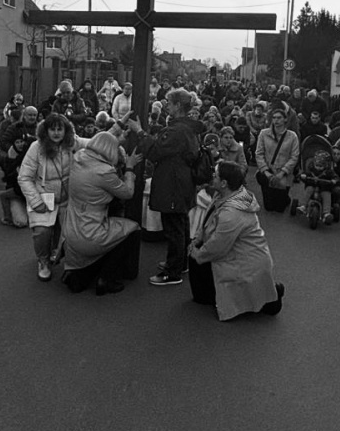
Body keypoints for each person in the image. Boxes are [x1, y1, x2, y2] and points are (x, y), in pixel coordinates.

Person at [188, 161, 284, 320]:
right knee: (197, 265)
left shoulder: (231, 213)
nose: (212, 176)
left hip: (245, 260)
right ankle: (267, 291)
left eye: (216, 175)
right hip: (239, 253)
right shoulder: (225, 195)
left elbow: (218, 247)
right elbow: (208, 222)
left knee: (198, 264)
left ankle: (272, 297)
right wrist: (197, 239)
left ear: (224, 183)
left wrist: (198, 253)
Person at [61, 131, 141, 295]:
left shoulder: (79, 157)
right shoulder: (104, 171)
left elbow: (103, 142)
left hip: (71, 228)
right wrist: (130, 168)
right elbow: (127, 193)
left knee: (108, 233)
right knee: (132, 230)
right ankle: (106, 279)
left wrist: (117, 139)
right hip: (90, 231)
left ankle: (79, 275)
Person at [141, 88, 205, 286]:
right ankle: (180, 262)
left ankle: (172, 272)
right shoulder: (188, 128)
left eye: (169, 103)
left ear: (177, 105)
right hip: (182, 181)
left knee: (173, 228)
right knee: (181, 224)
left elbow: (155, 151)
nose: (167, 106)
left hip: (173, 183)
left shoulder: (177, 131)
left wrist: (140, 132)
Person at [17, 113, 78, 281]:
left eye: (60, 129)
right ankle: (43, 261)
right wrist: (35, 201)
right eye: (53, 129)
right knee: (42, 232)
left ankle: (55, 253)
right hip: (42, 197)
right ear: (46, 130)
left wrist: (118, 129)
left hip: (66, 199)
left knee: (66, 233)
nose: (56, 133)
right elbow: (24, 177)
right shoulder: (36, 147)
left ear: (66, 130)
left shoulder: (72, 143)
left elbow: (97, 143)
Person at [255, 105, 300, 214]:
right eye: (274, 118)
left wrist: (282, 172)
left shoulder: (292, 136)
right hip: (268, 171)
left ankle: (285, 197)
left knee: (279, 209)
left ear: (285, 119)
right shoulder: (264, 133)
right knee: (269, 207)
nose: (276, 120)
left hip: (283, 172)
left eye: (279, 118)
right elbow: (259, 154)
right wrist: (266, 171)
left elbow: (294, 157)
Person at [0, 126, 35, 227]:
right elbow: (8, 179)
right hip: (18, 192)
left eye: (22, 141)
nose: (20, 144)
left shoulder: (31, 156)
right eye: (17, 142)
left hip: (31, 194)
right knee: (21, 222)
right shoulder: (10, 156)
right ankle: (8, 218)